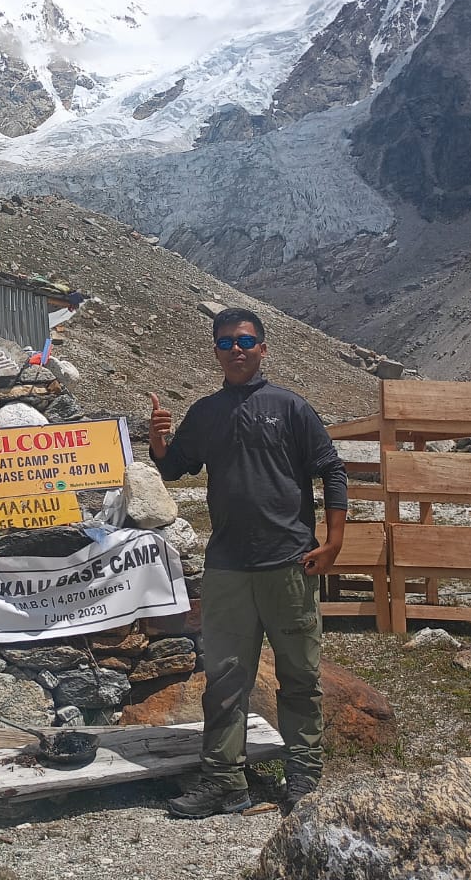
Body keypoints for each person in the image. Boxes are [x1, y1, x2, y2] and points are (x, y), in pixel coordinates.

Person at [147, 307, 346, 819]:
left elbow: (331, 470)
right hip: (229, 568)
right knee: (226, 679)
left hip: (289, 562)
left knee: (299, 675)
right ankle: (224, 782)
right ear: (215, 350)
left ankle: (303, 777)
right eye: (225, 342)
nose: (236, 349)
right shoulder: (206, 412)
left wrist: (335, 541)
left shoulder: (290, 407)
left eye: (245, 340)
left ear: (262, 348)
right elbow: (173, 468)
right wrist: (158, 438)